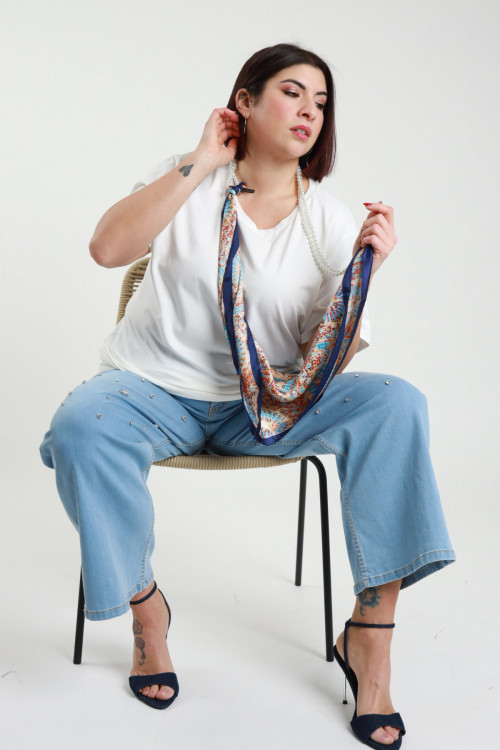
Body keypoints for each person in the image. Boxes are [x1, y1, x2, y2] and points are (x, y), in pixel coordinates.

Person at [40, 43, 455, 749]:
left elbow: (324, 360)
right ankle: (146, 612)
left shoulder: (328, 221)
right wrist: (202, 160)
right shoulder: (189, 177)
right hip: (152, 391)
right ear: (245, 99)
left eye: (320, 102)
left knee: (397, 403)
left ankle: (371, 638)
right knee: (82, 422)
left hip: (264, 407)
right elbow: (107, 250)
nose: (309, 112)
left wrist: (363, 276)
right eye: (292, 92)